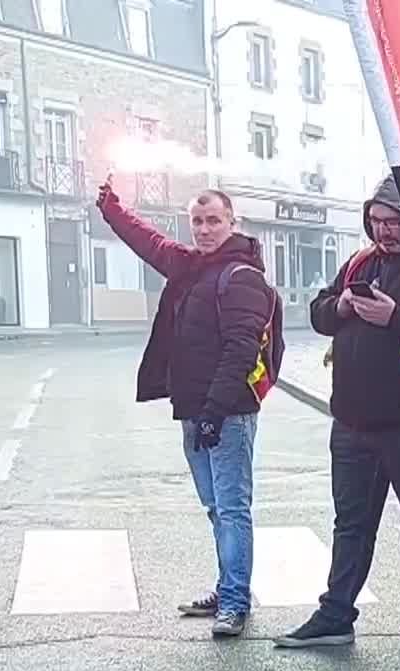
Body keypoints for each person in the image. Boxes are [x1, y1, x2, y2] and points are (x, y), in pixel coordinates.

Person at [274, 174, 400, 656]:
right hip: (352, 421)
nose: (384, 231)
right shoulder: (360, 261)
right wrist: (342, 304)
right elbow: (319, 313)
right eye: (376, 221)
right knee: (350, 523)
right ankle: (336, 615)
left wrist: (398, 320)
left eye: (393, 221)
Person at [96, 181, 281, 638]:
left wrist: (215, 412)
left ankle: (235, 602)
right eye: (197, 221)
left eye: (213, 220)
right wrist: (112, 210)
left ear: (232, 223)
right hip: (195, 410)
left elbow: (241, 351)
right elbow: (150, 243)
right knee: (216, 507)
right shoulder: (192, 267)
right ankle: (228, 587)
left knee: (233, 508)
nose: (203, 229)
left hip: (227, 414)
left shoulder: (242, 277)